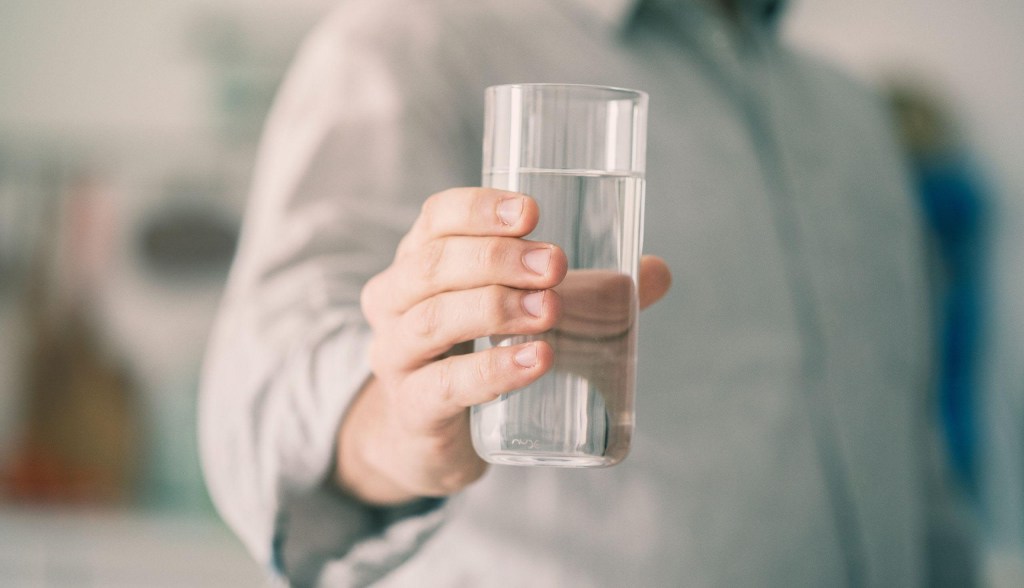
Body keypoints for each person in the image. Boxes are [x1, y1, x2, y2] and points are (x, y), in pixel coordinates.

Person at [199, 0, 977, 585]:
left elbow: (913, 460)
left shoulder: (850, 115)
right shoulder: (412, 42)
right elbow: (257, 398)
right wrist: (394, 431)